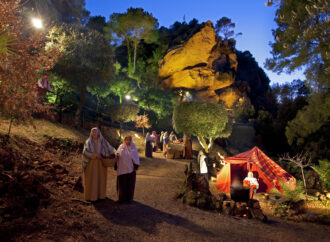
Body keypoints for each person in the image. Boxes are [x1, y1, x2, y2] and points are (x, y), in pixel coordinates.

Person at [82, 127, 116, 202]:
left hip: (101, 163)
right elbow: (85, 152)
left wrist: (116, 153)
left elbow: (110, 148)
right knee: (92, 180)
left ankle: (101, 195)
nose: (94, 133)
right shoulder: (88, 142)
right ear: (91, 133)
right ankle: (91, 197)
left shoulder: (103, 141)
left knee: (101, 179)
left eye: (95, 132)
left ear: (98, 133)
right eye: (93, 132)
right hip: (91, 163)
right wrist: (94, 155)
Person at [115, 135, 140, 203]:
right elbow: (117, 154)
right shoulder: (121, 147)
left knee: (129, 185)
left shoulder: (133, 147)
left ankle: (129, 199)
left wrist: (136, 166)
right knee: (122, 185)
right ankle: (121, 198)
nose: (127, 141)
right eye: (126, 140)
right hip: (122, 169)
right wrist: (116, 155)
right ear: (124, 140)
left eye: (129, 140)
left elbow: (136, 157)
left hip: (130, 170)